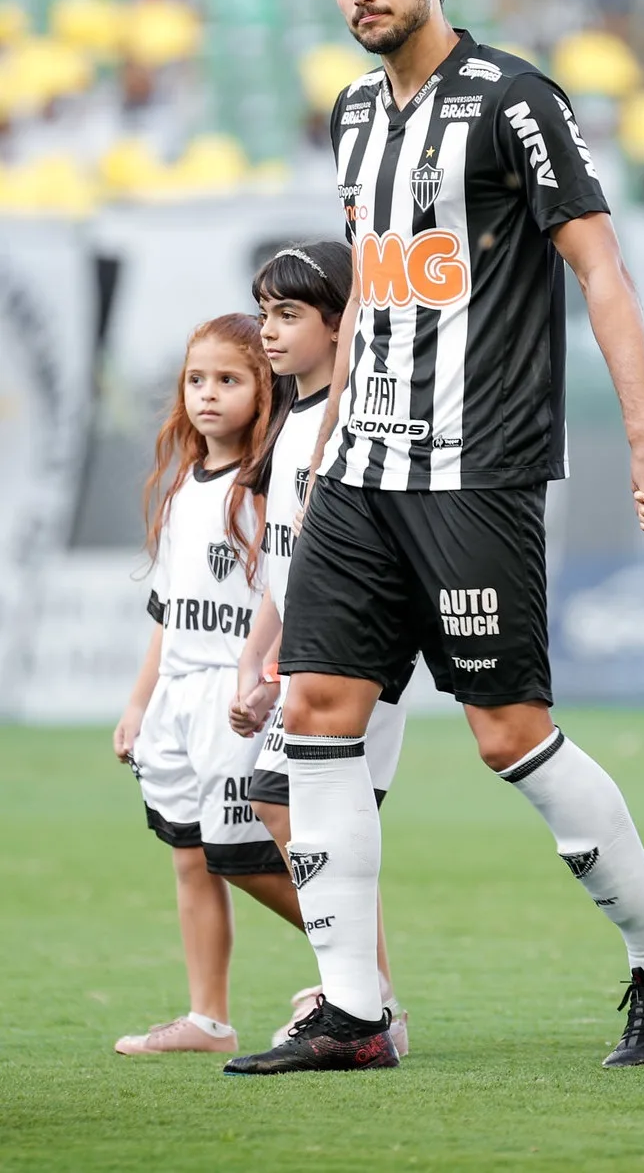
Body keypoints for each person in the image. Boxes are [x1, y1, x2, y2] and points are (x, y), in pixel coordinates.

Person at [223, 0, 644, 1077]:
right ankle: (352, 1008)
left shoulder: (513, 100)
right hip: (361, 470)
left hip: (475, 472)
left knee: (509, 734)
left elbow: (599, 269)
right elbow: (381, 303)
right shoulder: (349, 114)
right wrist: (324, 448)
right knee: (317, 715)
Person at [230, 241, 410, 1054]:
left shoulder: (359, 424)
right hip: (300, 646)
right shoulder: (289, 422)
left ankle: (368, 1003)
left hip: (353, 651)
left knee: (287, 810)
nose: (269, 331)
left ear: (344, 326)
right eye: (265, 313)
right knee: (273, 814)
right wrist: (255, 656)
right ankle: (363, 994)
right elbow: (280, 561)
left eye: (290, 315)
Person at [112, 314, 305, 1055]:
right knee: (190, 858)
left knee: (247, 858)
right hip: (176, 704)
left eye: (229, 380)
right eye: (197, 380)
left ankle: (359, 985)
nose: (208, 395)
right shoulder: (181, 487)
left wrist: (265, 679)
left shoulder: (266, 489)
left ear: (265, 389)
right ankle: (207, 1019)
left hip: (238, 702)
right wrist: (138, 703)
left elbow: (286, 593)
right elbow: (166, 615)